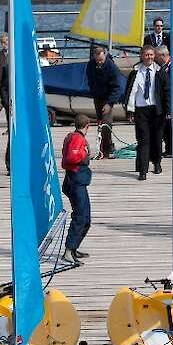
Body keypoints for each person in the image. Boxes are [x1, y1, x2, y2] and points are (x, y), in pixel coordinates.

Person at [124, 44, 169, 180]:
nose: (149, 57)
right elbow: (129, 93)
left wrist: (167, 110)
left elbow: (166, 91)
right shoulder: (135, 72)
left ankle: (156, 163)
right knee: (143, 141)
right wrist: (129, 112)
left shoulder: (159, 71)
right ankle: (142, 170)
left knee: (156, 139)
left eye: (151, 55)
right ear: (142, 56)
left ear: (154, 56)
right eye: (146, 55)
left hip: (156, 110)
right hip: (141, 110)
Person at [61, 114, 92, 265]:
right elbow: (71, 158)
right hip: (75, 181)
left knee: (86, 219)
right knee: (80, 217)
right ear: (88, 125)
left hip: (79, 182)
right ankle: (68, 251)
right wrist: (84, 154)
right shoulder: (77, 138)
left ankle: (74, 248)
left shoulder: (74, 137)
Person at [86, 44, 125, 158]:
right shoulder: (90, 65)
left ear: (105, 56)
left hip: (108, 97)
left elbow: (116, 88)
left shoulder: (111, 67)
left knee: (106, 123)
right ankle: (109, 144)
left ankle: (105, 151)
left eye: (101, 60)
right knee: (100, 122)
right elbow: (90, 80)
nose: (99, 63)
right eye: (97, 60)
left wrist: (109, 103)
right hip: (97, 96)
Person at [0, 32, 10, 174]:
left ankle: (10, 124)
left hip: (12, 84)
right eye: (2, 43)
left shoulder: (13, 52)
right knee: (5, 104)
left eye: (5, 42)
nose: (3, 45)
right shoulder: (1, 54)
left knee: (9, 105)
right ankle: (8, 124)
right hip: (3, 84)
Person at [155, 45, 172, 157]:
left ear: (163, 56)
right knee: (165, 128)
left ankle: (171, 149)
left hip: (172, 102)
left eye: (156, 57)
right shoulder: (163, 67)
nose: (155, 60)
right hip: (164, 102)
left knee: (170, 127)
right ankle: (168, 149)